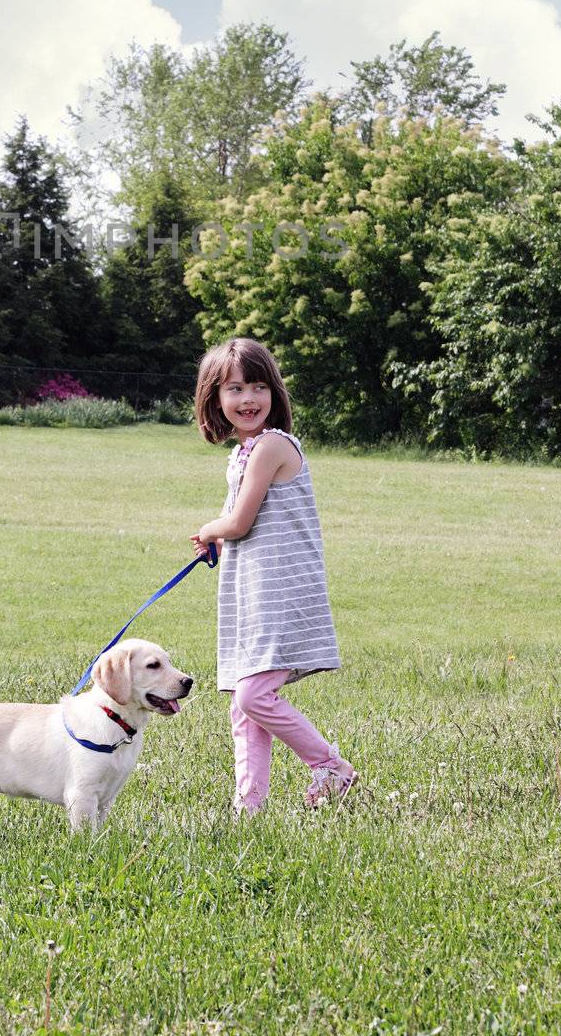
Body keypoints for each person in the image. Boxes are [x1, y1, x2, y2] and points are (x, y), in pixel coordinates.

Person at [190, 335, 358, 814]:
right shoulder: (243, 454)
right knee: (244, 703)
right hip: (252, 591)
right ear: (215, 399)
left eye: (259, 387)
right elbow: (241, 523)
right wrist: (218, 538)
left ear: (275, 394)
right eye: (235, 389)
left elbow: (239, 522)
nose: (248, 399)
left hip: (281, 591)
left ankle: (330, 766)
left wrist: (210, 528)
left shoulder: (271, 446)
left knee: (254, 694)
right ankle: (250, 806)